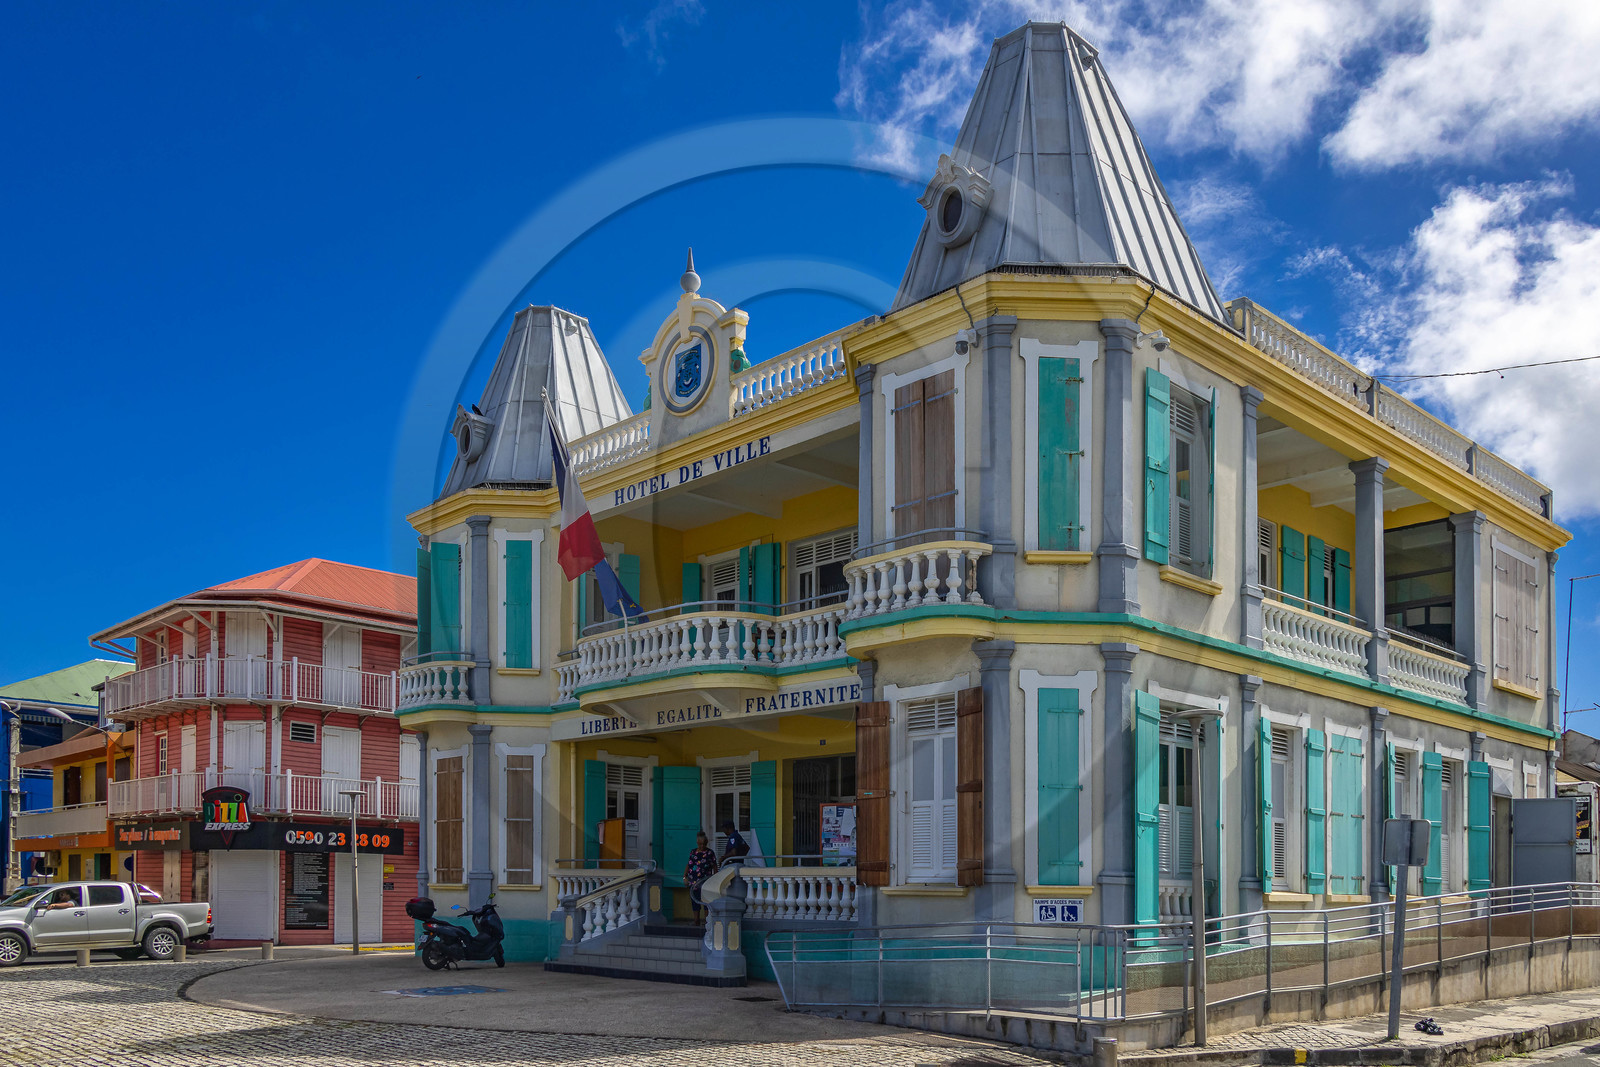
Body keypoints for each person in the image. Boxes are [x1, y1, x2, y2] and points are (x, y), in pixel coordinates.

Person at [683, 831, 717, 926]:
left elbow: (714, 866)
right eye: (700, 844)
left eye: (704, 844)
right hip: (693, 881)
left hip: (706, 881)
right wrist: (684, 877)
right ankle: (696, 921)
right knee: (695, 901)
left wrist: (716, 879)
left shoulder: (710, 853)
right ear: (697, 842)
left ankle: (707, 922)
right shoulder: (693, 852)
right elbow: (689, 865)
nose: (702, 846)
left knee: (706, 901)